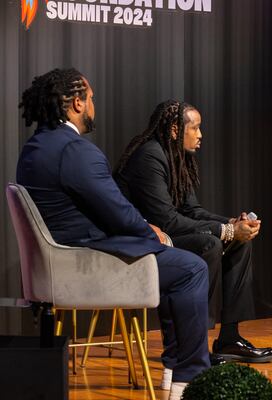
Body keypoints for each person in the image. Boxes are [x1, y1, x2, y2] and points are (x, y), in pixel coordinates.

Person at [16, 69, 208, 400]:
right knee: (191, 268)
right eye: (90, 99)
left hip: (58, 260)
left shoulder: (33, 147)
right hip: (87, 261)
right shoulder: (76, 150)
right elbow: (117, 212)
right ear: (76, 103)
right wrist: (153, 233)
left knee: (178, 259)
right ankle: (187, 377)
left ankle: (174, 372)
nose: (93, 105)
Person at [114, 100, 272, 370]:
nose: (200, 135)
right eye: (196, 128)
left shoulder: (178, 157)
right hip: (144, 243)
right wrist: (225, 230)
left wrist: (233, 225)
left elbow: (192, 210)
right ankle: (195, 344)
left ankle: (229, 338)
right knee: (208, 244)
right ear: (176, 130)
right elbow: (166, 220)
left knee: (238, 242)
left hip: (170, 236)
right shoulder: (149, 156)